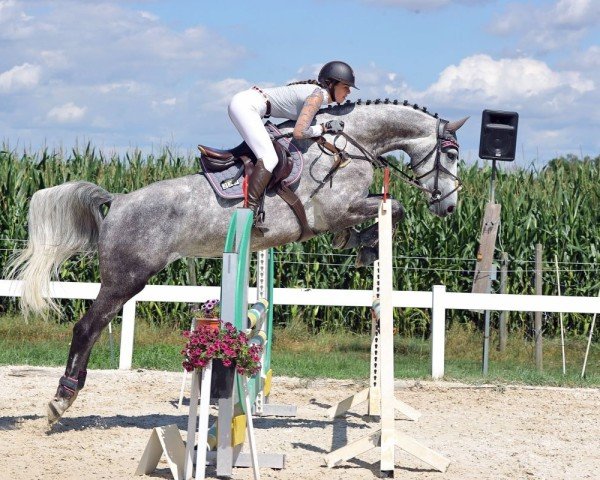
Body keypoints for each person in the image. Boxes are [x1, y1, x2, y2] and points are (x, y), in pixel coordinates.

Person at [227, 60, 358, 233]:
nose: (348, 92)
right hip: (246, 106)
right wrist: (325, 128)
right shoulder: (317, 96)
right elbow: (299, 133)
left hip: (248, 103)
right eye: (346, 87)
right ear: (330, 84)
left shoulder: (316, 95)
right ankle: (248, 215)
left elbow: (309, 133)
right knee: (269, 158)